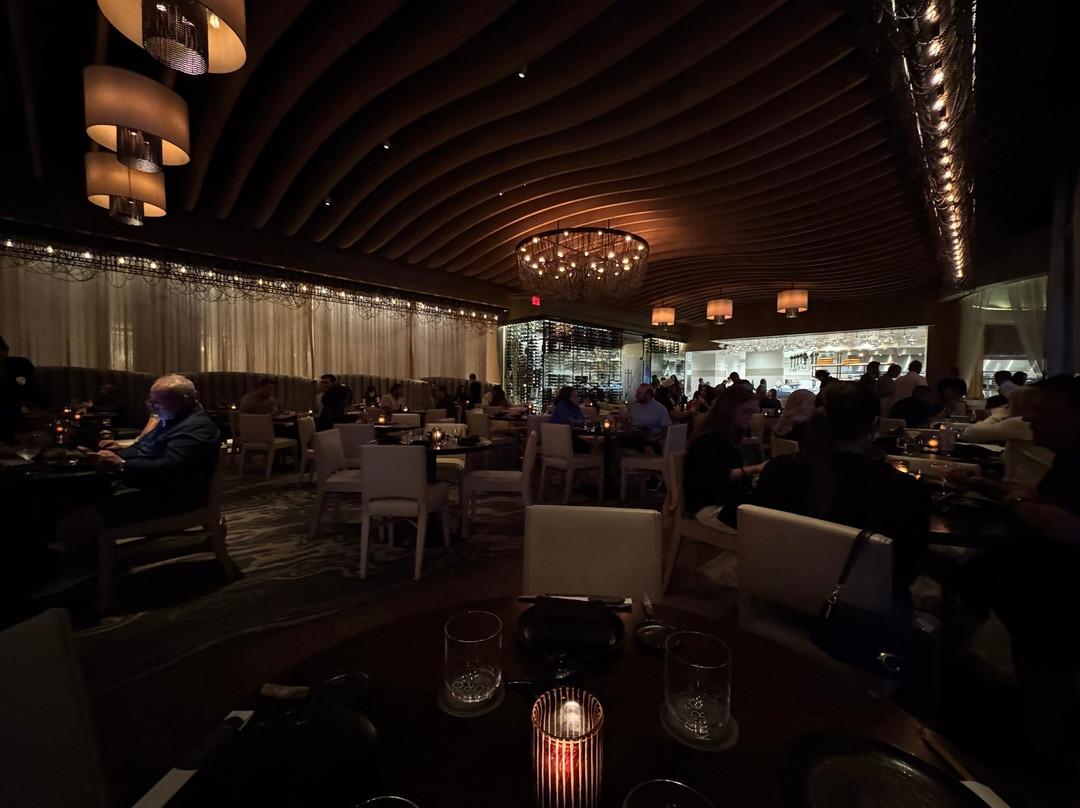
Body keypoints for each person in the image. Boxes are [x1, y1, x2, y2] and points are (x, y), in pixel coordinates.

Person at [953, 375, 1080, 771]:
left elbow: (1069, 527)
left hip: (1061, 600)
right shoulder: (1069, 457)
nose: (1029, 418)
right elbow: (1037, 496)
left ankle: (1040, 761)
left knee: (1045, 666)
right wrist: (985, 484)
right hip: (1042, 588)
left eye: (1043, 410)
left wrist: (1019, 503)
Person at [754, 382, 930, 613]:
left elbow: (760, 540)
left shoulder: (778, 470)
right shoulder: (903, 488)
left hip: (782, 599)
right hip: (861, 618)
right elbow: (907, 571)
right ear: (874, 425)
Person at [76, 375, 221, 522]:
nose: (152, 407)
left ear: (183, 400)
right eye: (151, 401)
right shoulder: (173, 419)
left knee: (83, 513)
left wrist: (121, 464)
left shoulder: (197, 428)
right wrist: (111, 454)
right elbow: (142, 447)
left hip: (171, 500)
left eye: (158, 402)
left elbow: (169, 467)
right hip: (153, 488)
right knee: (82, 492)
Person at [683, 385, 765, 530]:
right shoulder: (707, 440)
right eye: (746, 411)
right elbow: (713, 477)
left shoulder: (726, 436)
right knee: (772, 525)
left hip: (725, 500)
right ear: (729, 410)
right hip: (710, 506)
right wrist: (754, 469)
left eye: (752, 412)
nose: (751, 416)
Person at [961, 386, 1053, 484]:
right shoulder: (1049, 424)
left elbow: (970, 433)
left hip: (1020, 486)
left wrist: (997, 414)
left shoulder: (1021, 423)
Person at [0, 334, 48, 443]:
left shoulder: (20, 365)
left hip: (21, 422)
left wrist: (43, 411)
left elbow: (36, 393)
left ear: (6, 350)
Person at [625, 383, 672, 451]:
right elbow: (628, 420)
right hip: (633, 437)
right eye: (637, 393)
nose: (636, 395)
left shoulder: (659, 409)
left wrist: (656, 437)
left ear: (648, 395)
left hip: (651, 440)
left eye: (639, 393)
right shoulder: (633, 406)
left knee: (647, 448)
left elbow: (667, 428)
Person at [549, 386, 590, 453]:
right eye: (574, 397)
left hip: (569, 434)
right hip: (559, 437)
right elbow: (566, 422)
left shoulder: (575, 406)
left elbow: (583, 419)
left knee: (587, 446)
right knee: (585, 447)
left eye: (577, 396)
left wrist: (574, 421)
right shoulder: (561, 405)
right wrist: (576, 422)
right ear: (567, 398)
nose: (577, 398)